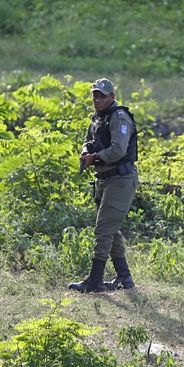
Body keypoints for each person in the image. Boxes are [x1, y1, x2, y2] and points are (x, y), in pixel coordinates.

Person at [68, 78, 139, 292]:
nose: (98, 99)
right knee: (110, 229)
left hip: (120, 179)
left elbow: (118, 150)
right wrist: (85, 151)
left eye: (102, 96)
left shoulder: (119, 117)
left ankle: (95, 281)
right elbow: (89, 139)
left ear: (112, 97)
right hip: (104, 178)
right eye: (95, 95)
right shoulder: (98, 118)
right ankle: (124, 277)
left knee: (103, 230)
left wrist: (95, 157)